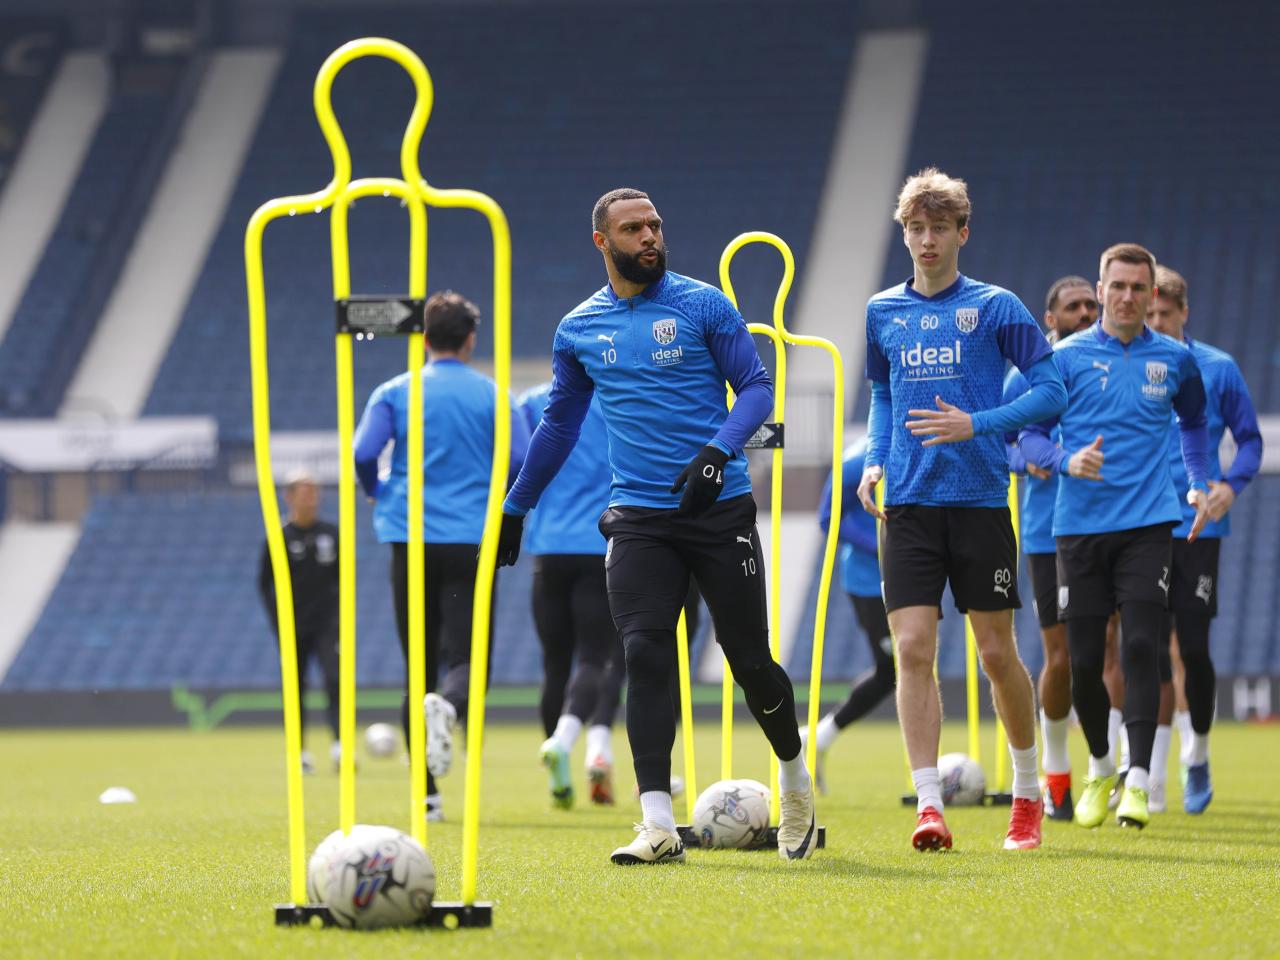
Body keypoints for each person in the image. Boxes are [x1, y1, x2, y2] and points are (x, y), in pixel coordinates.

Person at [497, 187, 817, 865]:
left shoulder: (703, 304)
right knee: (642, 652)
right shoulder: (578, 329)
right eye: (633, 228)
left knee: (748, 661)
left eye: (655, 225)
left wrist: (716, 453)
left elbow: (756, 388)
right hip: (639, 516)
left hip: (718, 509)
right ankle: (658, 826)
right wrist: (514, 508)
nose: (649, 237)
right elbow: (558, 426)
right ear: (602, 242)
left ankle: (792, 775)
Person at [856, 167, 1067, 852]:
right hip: (909, 506)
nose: (925, 240)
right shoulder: (882, 311)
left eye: (938, 228)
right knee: (913, 650)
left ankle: (1028, 793)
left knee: (995, 653)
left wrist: (977, 424)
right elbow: (884, 394)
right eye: (915, 228)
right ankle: (929, 807)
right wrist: (877, 458)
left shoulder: (998, 307)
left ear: (961, 233)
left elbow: (1052, 392)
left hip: (979, 503)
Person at [1019, 243, 1210, 832]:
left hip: (1150, 526)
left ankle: (1138, 779)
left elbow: (1195, 422)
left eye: (1138, 288)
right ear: (1101, 291)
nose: (1128, 297)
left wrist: (1199, 482)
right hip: (1077, 530)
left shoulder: (1175, 360)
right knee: (1081, 663)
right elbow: (1029, 433)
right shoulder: (1065, 358)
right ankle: (1101, 765)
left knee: (1142, 649)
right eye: (1118, 286)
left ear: (1153, 295)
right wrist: (1063, 459)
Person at [353, 291, 530, 821]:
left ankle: (426, 796)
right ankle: (449, 710)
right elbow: (522, 455)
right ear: (471, 339)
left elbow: (364, 452)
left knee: (418, 666)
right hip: (471, 539)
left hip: (409, 535)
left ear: (424, 337)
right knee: (467, 659)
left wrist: (377, 490)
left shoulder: (395, 391)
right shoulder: (495, 395)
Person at [1145, 265, 1261, 813]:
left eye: (1166, 313)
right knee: (1149, 650)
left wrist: (1230, 487)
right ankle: (1150, 777)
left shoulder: (1217, 368)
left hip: (1199, 527)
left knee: (1192, 647)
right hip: (1140, 524)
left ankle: (1198, 756)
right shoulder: (1129, 367)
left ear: (1184, 312)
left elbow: (1252, 443)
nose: (1157, 322)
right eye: (1149, 313)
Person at [1001, 275, 1098, 820]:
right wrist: (1026, 460)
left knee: (1109, 649)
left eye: (1091, 304)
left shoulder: (1108, 370)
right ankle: (1057, 772)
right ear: (1051, 319)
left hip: (1111, 525)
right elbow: (1001, 439)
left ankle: (1119, 769)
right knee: (1061, 654)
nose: (1085, 313)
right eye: (1073, 307)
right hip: (1049, 532)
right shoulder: (1026, 378)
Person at [520, 383, 625, 808]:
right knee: (594, 659)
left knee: (554, 665)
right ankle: (567, 741)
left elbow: (513, 462)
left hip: (548, 548)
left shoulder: (529, 402)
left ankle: (557, 781)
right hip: (599, 544)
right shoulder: (620, 396)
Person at [802, 436, 891, 794]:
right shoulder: (857, 459)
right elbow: (827, 518)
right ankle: (817, 738)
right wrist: (881, 544)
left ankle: (818, 738)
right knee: (894, 671)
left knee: (898, 671)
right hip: (869, 584)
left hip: (906, 576)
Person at [257, 471, 341, 774]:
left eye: (314, 492)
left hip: (328, 624)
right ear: (289, 497)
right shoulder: (278, 536)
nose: (310, 499)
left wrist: (339, 616)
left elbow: (343, 579)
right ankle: (300, 751)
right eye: (304, 493)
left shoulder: (331, 533)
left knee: (335, 680)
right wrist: (277, 620)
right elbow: (264, 583)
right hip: (293, 625)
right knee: (294, 687)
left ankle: (339, 746)